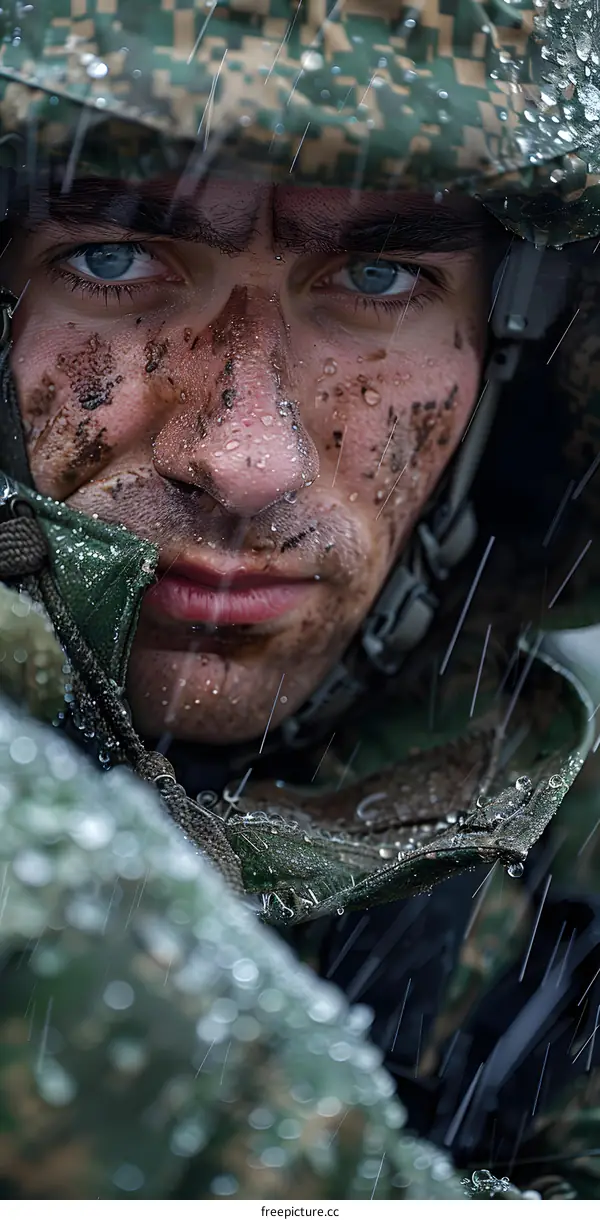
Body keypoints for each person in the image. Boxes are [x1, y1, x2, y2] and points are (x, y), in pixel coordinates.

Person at [0, 0, 599, 1200]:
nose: (246, 457)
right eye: (112, 259)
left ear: (514, 346)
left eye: (379, 276)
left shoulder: (563, 885)